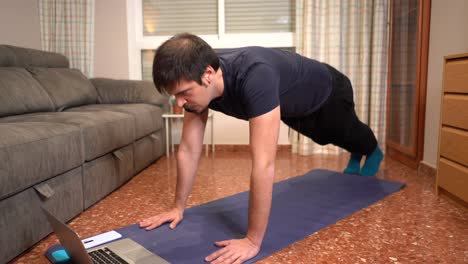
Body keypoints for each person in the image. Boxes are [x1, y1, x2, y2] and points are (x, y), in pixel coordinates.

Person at [139, 33, 384, 263]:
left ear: (208, 74)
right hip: (294, 103)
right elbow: (188, 150)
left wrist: (252, 241)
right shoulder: (199, 84)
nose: (180, 104)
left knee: (344, 131)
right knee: (323, 138)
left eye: (184, 94)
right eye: (175, 97)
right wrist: (177, 207)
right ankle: (355, 148)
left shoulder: (255, 76)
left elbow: (264, 165)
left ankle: (371, 150)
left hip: (328, 93)